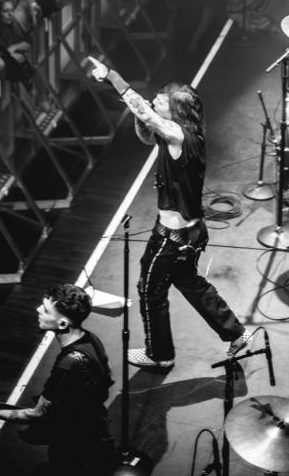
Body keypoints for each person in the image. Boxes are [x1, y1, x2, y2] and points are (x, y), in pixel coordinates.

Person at [86, 61, 251, 370]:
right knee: (190, 282)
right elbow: (147, 135)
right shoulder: (183, 133)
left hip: (172, 239)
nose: (155, 100)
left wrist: (112, 76)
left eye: (162, 99)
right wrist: (143, 117)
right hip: (190, 232)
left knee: (150, 291)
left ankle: (159, 354)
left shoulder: (179, 134)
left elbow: (146, 114)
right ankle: (236, 333)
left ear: (176, 110)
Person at [0, 282, 115, 476]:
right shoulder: (91, 339)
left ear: (62, 324)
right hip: (95, 428)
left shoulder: (68, 364)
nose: (38, 309)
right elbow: (105, 380)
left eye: (46, 310)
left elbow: (36, 414)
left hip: (74, 443)